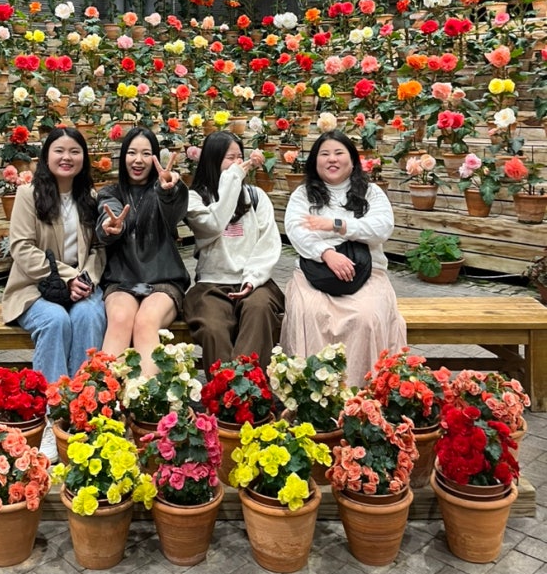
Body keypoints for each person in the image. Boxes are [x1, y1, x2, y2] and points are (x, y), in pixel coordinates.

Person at [2, 127, 107, 459]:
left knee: (89, 315)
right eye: (59, 150)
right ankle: (53, 418)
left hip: (81, 285)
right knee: (55, 321)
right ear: (46, 156)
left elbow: (99, 249)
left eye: (74, 151)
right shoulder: (28, 195)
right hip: (35, 288)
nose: (67, 157)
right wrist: (67, 276)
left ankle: (82, 414)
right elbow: (22, 247)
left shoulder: (90, 199)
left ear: (83, 158)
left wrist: (85, 278)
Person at [281, 130, 406, 388]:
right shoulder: (303, 195)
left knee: (366, 317)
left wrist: (336, 225)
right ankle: (314, 394)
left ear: (352, 160)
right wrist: (327, 253)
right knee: (310, 314)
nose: (332, 159)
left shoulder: (371, 193)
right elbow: (297, 231)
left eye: (339, 153)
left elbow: (382, 227)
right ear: (315, 161)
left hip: (368, 273)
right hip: (314, 273)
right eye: (324, 154)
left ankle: (364, 393)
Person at [184, 131, 284, 374]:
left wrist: (252, 279)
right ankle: (227, 390)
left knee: (258, 310)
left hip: (254, 282)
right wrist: (232, 179)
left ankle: (243, 388)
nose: (239, 164)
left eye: (240, 157)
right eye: (230, 158)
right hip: (211, 285)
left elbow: (268, 243)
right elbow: (214, 224)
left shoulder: (256, 197)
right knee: (213, 328)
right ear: (212, 160)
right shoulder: (195, 199)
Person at [96, 126, 190, 376]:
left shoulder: (163, 189)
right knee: (119, 319)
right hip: (121, 281)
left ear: (155, 158)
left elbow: (175, 210)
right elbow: (108, 216)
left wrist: (168, 191)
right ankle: (106, 394)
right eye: (132, 153)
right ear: (123, 156)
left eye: (146, 154)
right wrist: (111, 226)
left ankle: (146, 395)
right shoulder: (110, 193)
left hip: (164, 281)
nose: (138, 160)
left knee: (146, 321)